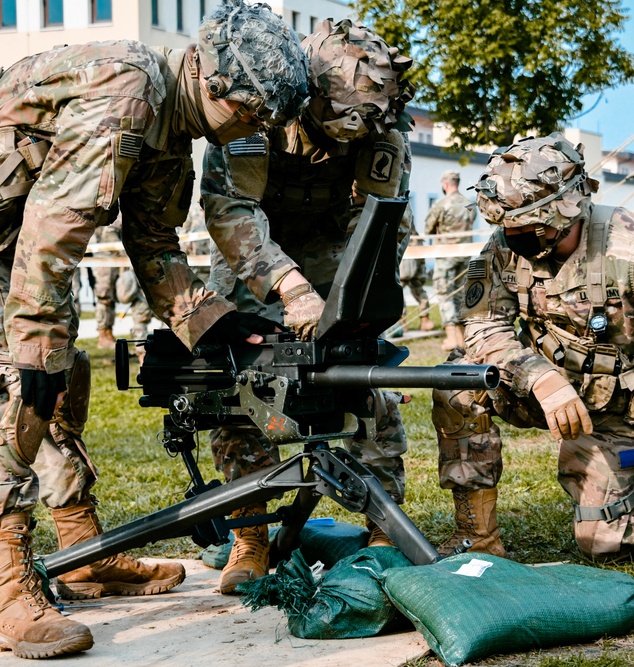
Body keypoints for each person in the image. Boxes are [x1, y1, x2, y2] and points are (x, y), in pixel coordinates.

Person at [0, 1, 308, 658]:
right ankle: (6, 591)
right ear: (212, 81)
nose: (251, 131)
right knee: (15, 375)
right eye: (250, 114)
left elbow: (156, 249)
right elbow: (54, 227)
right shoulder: (130, 87)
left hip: (16, 237)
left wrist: (220, 324)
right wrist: (32, 345)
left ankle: (81, 553)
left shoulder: (173, 136)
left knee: (65, 371)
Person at [431, 134, 634, 561]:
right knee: (456, 384)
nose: (513, 241)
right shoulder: (506, 247)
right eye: (507, 230)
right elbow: (482, 328)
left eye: (527, 229)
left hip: (628, 404)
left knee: (603, 544)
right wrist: (539, 377)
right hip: (552, 392)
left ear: (563, 215)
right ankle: (477, 536)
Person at [200, 18, 415, 595]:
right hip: (251, 252)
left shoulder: (384, 128)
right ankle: (251, 536)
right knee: (240, 389)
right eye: (338, 115)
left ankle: (383, 529)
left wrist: (357, 303)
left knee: (361, 376)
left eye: (364, 119)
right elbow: (231, 211)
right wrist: (290, 288)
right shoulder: (261, 111)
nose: (351, 131)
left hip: (333, 249)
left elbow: (380, 225)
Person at [425, 170, 475, 351]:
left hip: (446, 255)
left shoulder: (441, 204)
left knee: (444, 293)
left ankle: (452, 338)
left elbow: (429, 228)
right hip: (465, 254)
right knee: (461, 295)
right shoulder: (469, 204)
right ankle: (463, 339)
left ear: (445, 184)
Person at [90, 219, 153, 349]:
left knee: (133, 291)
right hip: (106, 252)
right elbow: (109, 232)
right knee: (105, 293)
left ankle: (139, 340)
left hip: (126, 253)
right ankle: (104, 334)